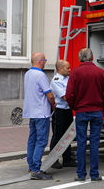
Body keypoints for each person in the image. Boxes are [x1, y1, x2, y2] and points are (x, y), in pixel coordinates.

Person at [66, 48, 104, 182]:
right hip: (97, 111)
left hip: (81, 111)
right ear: (92, 57)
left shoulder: (75, 73)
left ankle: (81, 175)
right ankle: (94, 174)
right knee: (94, 143)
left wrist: (75, 107)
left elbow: (69, 95)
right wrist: (103, 107)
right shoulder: (100, 72)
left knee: (81, 143)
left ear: (80, 58)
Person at [23, 52, 55, 180]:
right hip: (41, 112)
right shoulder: (40, 75)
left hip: (32, 112)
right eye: (45, 60)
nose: (45, 62)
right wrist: (53, 104)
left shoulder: (28, 74)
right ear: (40, 61)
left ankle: (31, 166)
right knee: (41, 141)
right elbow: (50, 94)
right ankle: (36, 170)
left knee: (32, 140)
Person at [49, 59, 75, 169]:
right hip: (60, 111)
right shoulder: (56, 81)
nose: (70, 69)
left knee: (67, 135)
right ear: (60, 69)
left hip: (68, 110)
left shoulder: (69, 78)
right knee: (58, 135)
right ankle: (53, 160)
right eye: (67, 68)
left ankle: (67, 159)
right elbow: (65, 97)